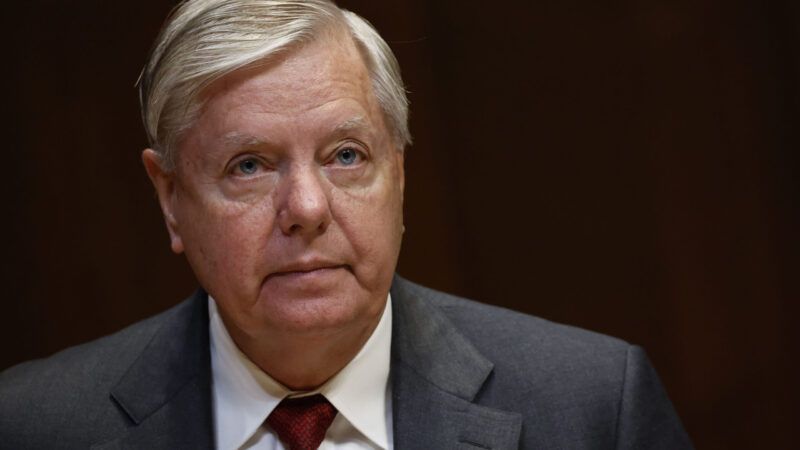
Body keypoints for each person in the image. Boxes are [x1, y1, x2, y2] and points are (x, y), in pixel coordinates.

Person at [0, 1, 693, 449]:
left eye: (346, 155)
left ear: (398, 173)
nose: (306, 208)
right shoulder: (33, 426)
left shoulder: (594, 408)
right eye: (248, 165)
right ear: (170, 198)